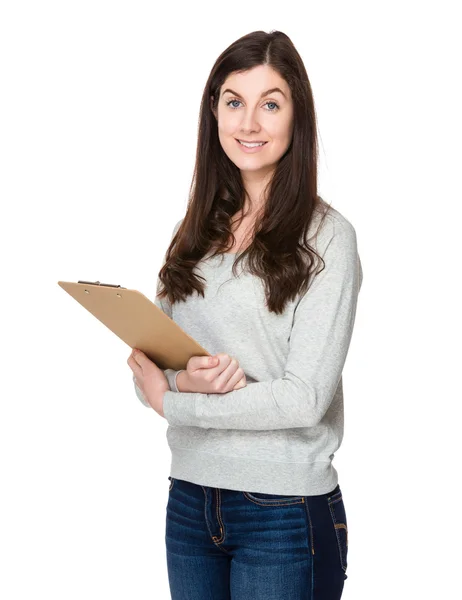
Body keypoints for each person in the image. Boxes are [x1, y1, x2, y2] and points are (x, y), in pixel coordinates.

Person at [127, 29, 363, 600]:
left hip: (282, 511)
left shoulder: (328, 238)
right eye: (234, 102)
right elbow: (152, 370)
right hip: (189, 499)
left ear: (296, 116)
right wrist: (179, 383)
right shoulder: (196, 231)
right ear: (214, 112)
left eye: (270, 103)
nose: (249, 123)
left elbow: (303, 398)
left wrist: (173, 400)